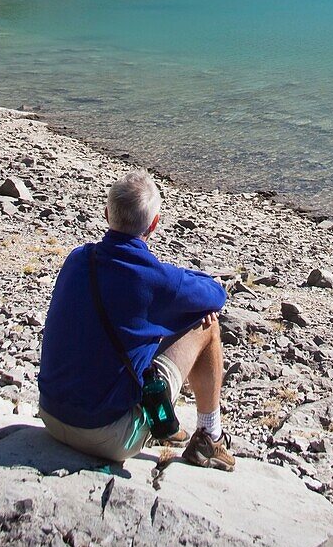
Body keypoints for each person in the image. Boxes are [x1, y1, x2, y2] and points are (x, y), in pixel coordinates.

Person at [37, 169, 235, 470]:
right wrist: (181, 282)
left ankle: (170, 425)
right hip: (105, 436)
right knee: (206, 324)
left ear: (107, 214)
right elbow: (215, 296)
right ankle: (210, 436)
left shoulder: (78, 259)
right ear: (154, 224)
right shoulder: (154, 279)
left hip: (51, 415)